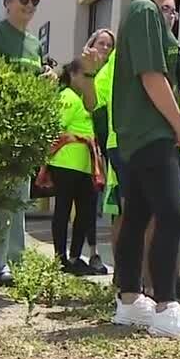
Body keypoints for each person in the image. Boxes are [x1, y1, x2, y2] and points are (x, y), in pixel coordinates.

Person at [108, 0, 180, 338]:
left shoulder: (139, 13)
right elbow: (151, 77)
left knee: (137, 217)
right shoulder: (146, 11)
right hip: (150, 132)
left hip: (137, 133)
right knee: (171, 214)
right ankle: (166, 305)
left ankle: (130, 299)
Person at [0, 0, 55, 287]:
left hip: (24, 136)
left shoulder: (34, 44)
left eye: (34, 2)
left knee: (19, 200)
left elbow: (33, 80)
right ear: (7, 3)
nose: (29, 6)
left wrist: (47, 77)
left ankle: (13, 262)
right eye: (23, 0)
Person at [41, 60, 103, 275]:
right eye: (86, 76)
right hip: (66, 164)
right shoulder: (66, 97)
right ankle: (61, 258)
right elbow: (56, 128)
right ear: (74, 75)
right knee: (63, 210)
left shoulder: (83, 100)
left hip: (84, 165)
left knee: (85, 213)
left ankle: (75, 257)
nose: (89, 81)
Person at [83, 29, 116, 276]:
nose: (105, 48)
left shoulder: (116, 72)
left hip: (111, 146)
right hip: (86, 145)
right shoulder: (82, 71)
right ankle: (84, 254)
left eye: (109, 45)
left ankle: (96, 254)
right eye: (101, 43)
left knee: (107, 204)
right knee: (86, 201)